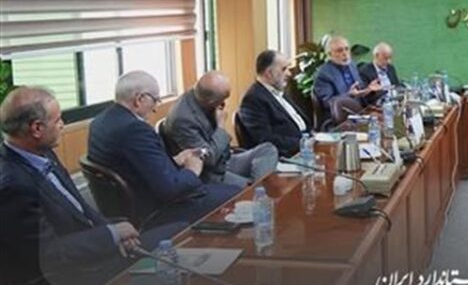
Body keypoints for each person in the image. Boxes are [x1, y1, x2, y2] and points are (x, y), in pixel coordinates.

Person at [0, 87, 183, 284]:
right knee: (180, 239)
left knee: (179, 233)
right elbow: (50, 255)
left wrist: (114, 233)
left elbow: (82, 209)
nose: (62, 125)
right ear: (37, 128)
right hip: (75, 272)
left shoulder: (42, 152)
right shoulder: (13, 185)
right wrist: (111, 235)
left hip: (94, 246)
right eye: (58, 120)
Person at [88, 71, 239, 227]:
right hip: (155, 210)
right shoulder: (135, 130)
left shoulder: (100, 121)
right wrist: (192, 170)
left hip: (126, 207)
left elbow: (133, 166)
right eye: (155, 100)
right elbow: (171, 189)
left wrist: (174, 160)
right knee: (237, 194)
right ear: (140, 99)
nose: (155, 108)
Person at [162, 71, 278, 187]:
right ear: (211, 102)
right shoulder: (182, 120)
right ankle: (257, 189)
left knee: (268, 149)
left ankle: (258, 187)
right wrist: (221, 126)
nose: (223, 103)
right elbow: (209, 159)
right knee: (254, 185)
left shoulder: (200, 95)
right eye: (222, 100)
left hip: (225, 160)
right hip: (211, 174)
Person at [239, 50, 311, 158]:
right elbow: (265, 139)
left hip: (306, 148)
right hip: (286, 156)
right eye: (284, 69)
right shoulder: (252, 99)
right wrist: (304, 144)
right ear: (269, 73)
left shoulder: (279, 91)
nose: (289, 73)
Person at [313, 36, 381, 117]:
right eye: (339, 51)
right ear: (330, 54)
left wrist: (368, 89)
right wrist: (349, 95)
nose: (345, 53)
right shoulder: (323, 74)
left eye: (346, 49)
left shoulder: (351, 65)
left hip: (360, 111)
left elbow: (359, 91)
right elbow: (328, 103)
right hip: (341, 117)